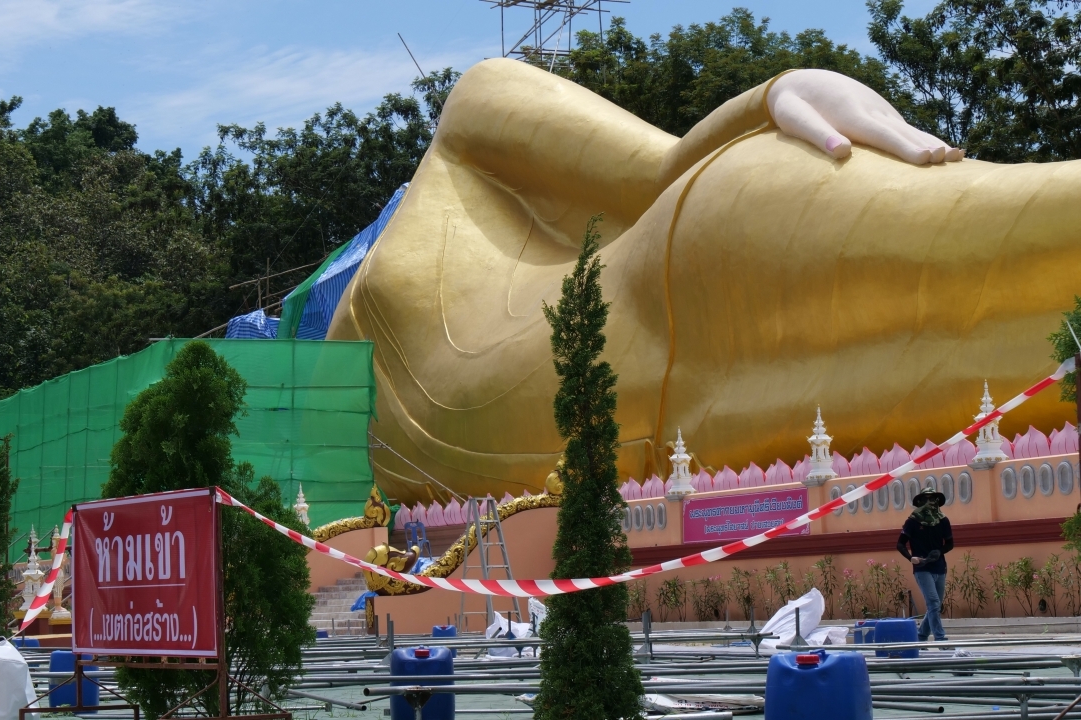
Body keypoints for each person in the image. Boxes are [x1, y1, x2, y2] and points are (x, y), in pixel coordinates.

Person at [329, 58, 1081, 504]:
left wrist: (779, 89)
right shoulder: (339, 400)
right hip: (689, 414)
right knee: (1010, 355)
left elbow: (659, 169)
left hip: (700, 268)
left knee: (1024, 254)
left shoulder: (471, 126)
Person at [897, 488, 954, 641]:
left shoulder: (943, 520)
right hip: (922, 568)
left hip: (940, 567)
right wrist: (911, 558)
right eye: (927, 499)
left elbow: (950, 544)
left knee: (935, 606)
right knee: (934, 602)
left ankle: (921, 636)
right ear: (921, 502)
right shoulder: (912, 522)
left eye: (933, 498)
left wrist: (940, 551)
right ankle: (940, 639)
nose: (931, 502)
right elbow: (900, 544)